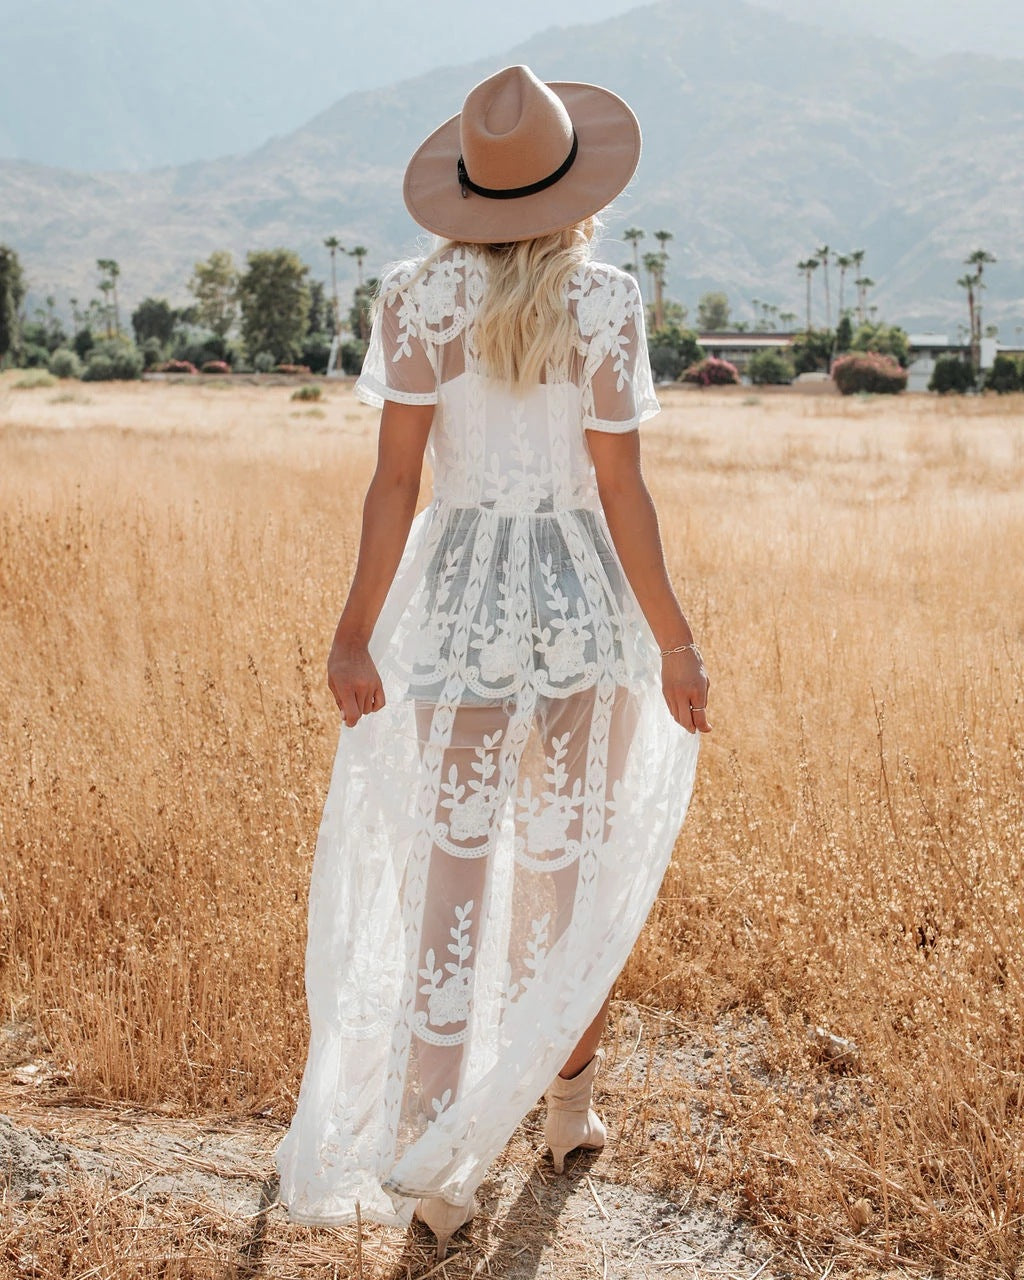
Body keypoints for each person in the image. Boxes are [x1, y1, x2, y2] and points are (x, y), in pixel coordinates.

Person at [275, 64, 711, 1261]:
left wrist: (354, 627)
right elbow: (621, 489)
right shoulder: (608, 300)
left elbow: (396, 482)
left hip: (458, 611)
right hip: (581, 612)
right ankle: (564, 1112)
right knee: (563, 876)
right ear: (576, 186)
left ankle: (432, 1162)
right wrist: (676, 640)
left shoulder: (415, 298)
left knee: (449, 877)